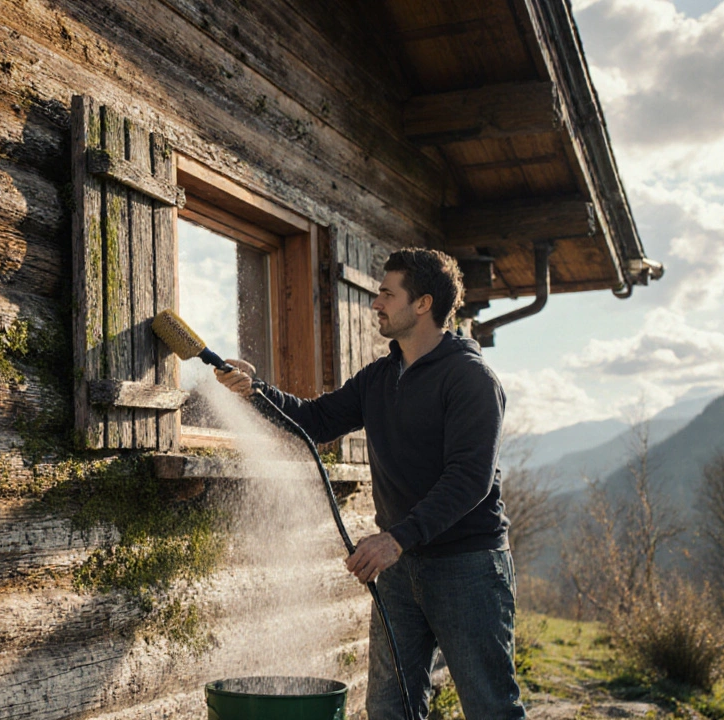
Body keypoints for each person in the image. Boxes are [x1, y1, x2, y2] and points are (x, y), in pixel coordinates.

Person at [215, 247, 525, 720]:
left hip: (468, 567)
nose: (375, 303)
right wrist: (257, 392)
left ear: (422, 304)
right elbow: (316, 421)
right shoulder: (380, 377)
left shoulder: (470, 379)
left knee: (491, 708)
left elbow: (470, 479)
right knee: (388, 707)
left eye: (386, 293)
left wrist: (396, 539)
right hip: (402, 571)